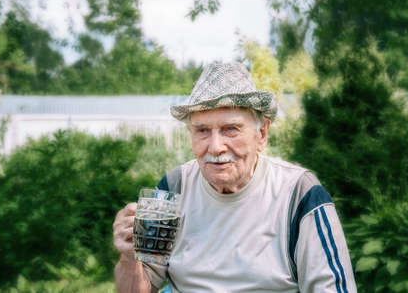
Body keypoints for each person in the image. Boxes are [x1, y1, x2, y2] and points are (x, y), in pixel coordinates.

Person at [113, 62, 356, 292]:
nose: (216, 146)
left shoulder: (300, 195)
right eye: (202, 131)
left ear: (262, 134)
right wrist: (129, 256)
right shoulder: (172, 189)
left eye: (231, 129)